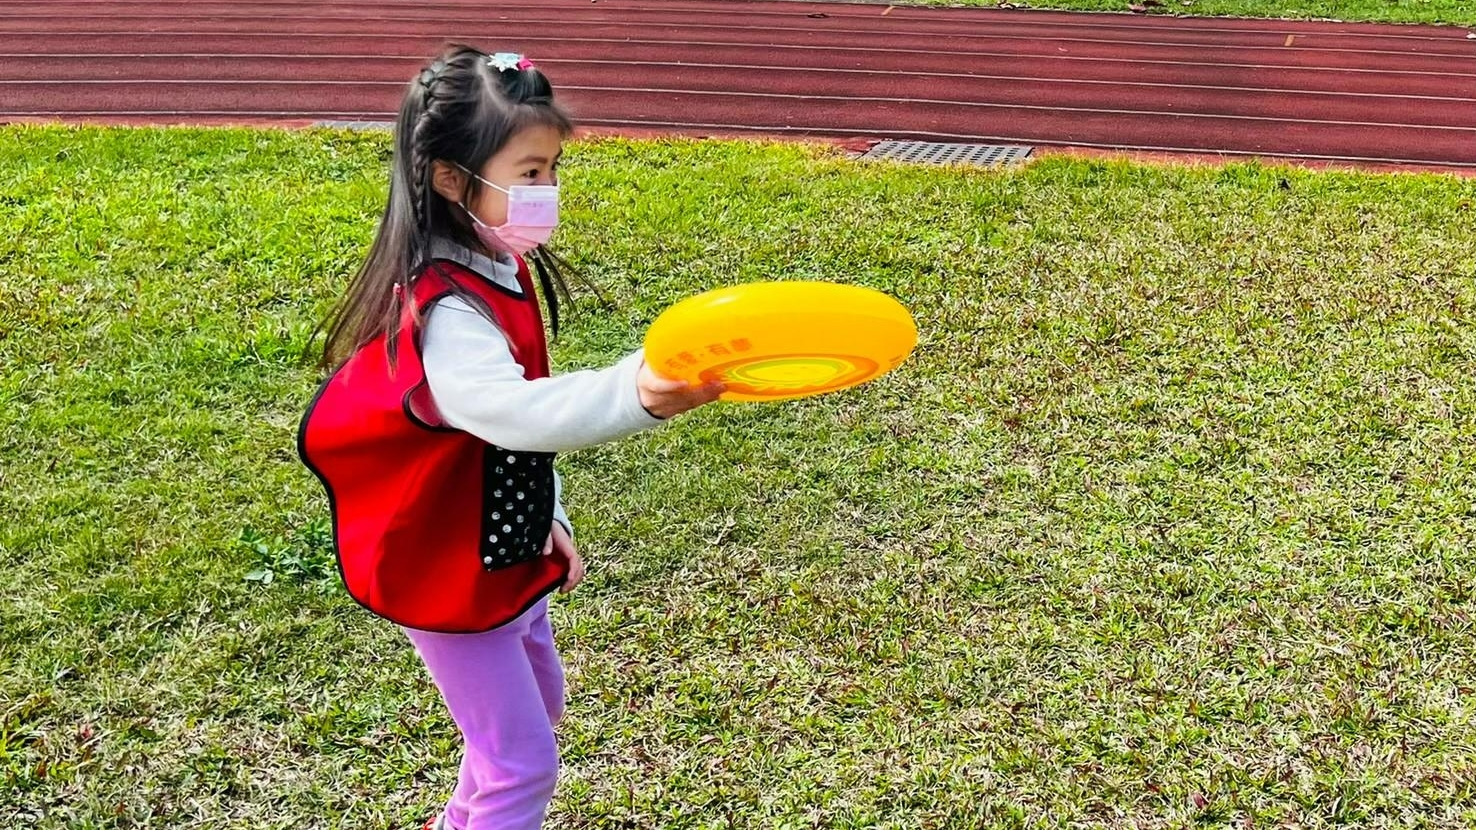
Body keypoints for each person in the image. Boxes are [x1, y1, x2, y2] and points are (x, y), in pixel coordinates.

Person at [297, 44, 724, 830]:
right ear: (451, 180)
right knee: (522, 765)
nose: (549, 191)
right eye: (530, 174)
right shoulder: (449, 311)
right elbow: (512, 414)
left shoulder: (495, 263)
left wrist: (546, 518)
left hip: (498, 546)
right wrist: (640, 391)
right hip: (443, 564)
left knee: (532, 719)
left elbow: (520, 434)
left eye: (554, 168)